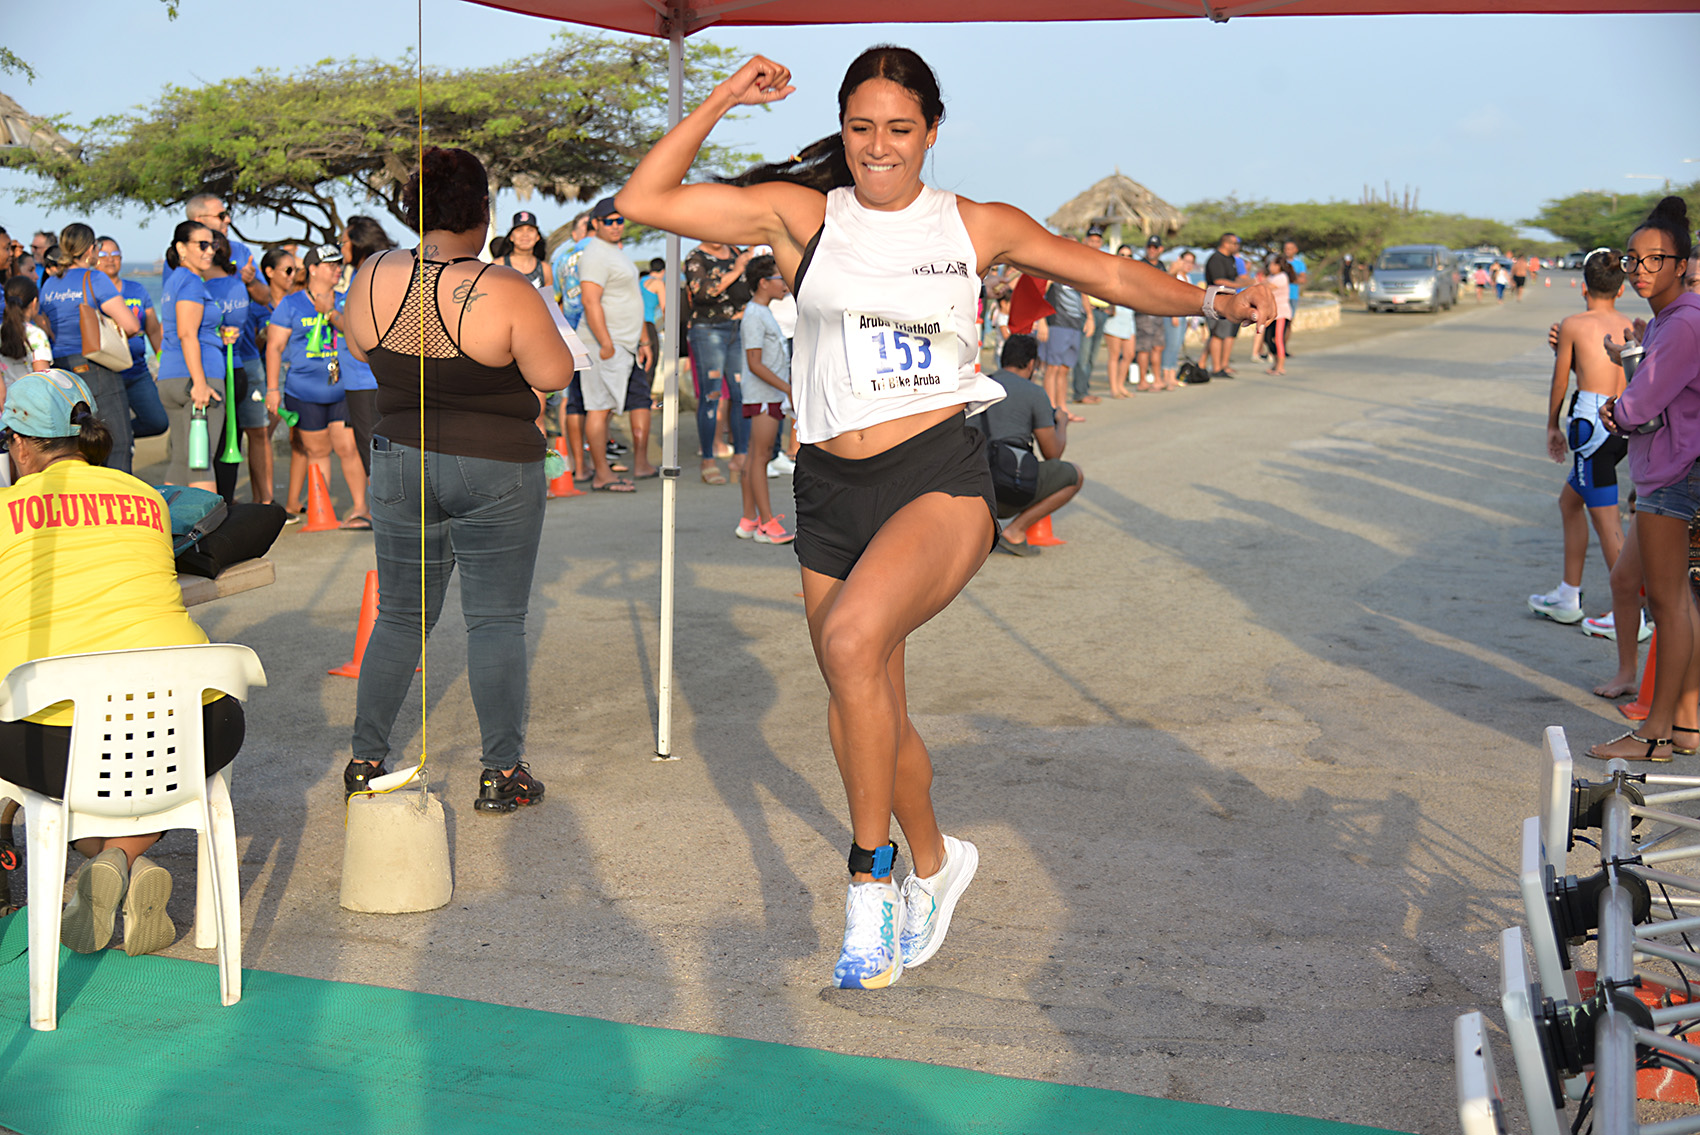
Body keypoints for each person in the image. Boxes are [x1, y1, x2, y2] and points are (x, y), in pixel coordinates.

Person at [617, 47, 1274, 989]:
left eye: (898, 129)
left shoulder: (976, 225)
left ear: (931, 130)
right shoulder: (802, 215)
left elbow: (1107, 275)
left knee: (850, 645)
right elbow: (646, 199)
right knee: (864, 704)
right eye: (860, 128)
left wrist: (1212, 298)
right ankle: (937, 862)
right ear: (842, 130)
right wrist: (724, 95)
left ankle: (868, 879)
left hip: (937, 475)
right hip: (828, 490)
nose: (878, 147)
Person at [339, 146, 575, 809]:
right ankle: (501, 772)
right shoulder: (504, 286)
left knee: (399, 616)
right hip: (495, 462)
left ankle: (365, 760)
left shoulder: (374, 271)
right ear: (481, 210)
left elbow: (357, 342)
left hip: (397, 456)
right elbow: (555, 373)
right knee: (495, 621)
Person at [0, 369, 246, 956]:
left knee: (51, 759)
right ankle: (123, 862)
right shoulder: (143, 498)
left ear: (24, 444)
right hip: (193, 728)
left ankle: (101, 860)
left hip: (61, 740)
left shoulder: (7, 509)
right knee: (132, 771)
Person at [1590, 197, 1700, 762]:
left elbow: (1637, 408)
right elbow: (1656, 390)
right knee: (1643, 583)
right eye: (1632, 259)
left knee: (1670, 601)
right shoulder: (1667, 321)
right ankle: (1685, 723)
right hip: (1663, 471)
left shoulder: (1683, 323)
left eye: (1654, 259)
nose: (1639, 270)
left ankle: (1654, 732)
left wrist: (1617, 409)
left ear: (1682, 264)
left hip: (1674, 474)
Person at [1529, 250, 1632, 632]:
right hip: (1621, 422)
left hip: (1591, 425)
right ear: (1620, 290)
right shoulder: (1628, 323)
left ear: (1583, 287)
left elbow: (1561, 380)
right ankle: (1568, 594)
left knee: (1606, 522)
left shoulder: (1573, 323)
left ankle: (1631, 614)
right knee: (1570, 503)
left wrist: (1552, 425)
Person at [265, 245, 368, 526]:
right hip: (304, 391)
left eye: (338, 264)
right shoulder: (291, 304)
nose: (337, 268)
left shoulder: (346, 300)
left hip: (342, 389)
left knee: (347, 447)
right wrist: (272, 389)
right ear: (312, 269)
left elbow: (359, 334)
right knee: (318, 451)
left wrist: (331, 311)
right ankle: (320, 511)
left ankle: (362, 509)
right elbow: (274, 347)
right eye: (330, 264)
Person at [973, 333, 1082, 556]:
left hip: (970, 493)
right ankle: (1015, 531)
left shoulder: (977, 387)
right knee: (1074, 475)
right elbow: (1053, 453)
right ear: (1032, 364)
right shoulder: (1035, 393)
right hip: (1006, 491)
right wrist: (1061, 422)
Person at [578, 196, 654, 491]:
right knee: (599, 408)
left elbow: (630, 297)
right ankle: (602, 474)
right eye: (609, 221)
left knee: (606, 409)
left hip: (626, 342)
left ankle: (605, 472)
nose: (615, 225)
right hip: (606, 343)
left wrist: (643, 339)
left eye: (620, 220)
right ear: (595, 223)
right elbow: (589, 300)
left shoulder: (614, 251)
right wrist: (606, 343)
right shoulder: (595, 254)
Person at [157, 220, 228, 492]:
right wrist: (200, 383)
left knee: (182, 459)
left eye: (213, 244)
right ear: (181, 248)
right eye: (202, 244)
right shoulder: (190, 282)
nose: (210, 250)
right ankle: (206, 531)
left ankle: (171, 529)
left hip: (171, 378)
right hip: (196, 379)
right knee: (201, 462)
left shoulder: (175, 280)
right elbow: (187, 334)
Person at [685, 238, 755, 483]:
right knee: (712, 395)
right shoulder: (696, 258)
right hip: (708, 330)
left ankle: (741, 455)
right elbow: (704, 292)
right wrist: (736, 270)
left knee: (741, 393)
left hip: (738, 328)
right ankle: (709, 459)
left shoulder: (737, 251)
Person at [735, 254, 794, 543]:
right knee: (761, 457)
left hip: (767, 394)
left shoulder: (762, 311)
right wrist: (787, 388)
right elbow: (755, 363)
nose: (784, 283)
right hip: (763, 396)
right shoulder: (754, 315)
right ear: (762, 283)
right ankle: (767, 523)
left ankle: (749, 519)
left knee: (754, 455)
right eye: (779, 278)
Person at [94, 237, 167, 454]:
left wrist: (162, 361)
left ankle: (121, 434)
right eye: (103, 255)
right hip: (106, 374)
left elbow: (153, 329)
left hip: (138, 371)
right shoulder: (92, 291)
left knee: (158, 421)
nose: (110, 260)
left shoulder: (137, 290)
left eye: (115, 254)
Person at [339, 216, 395, 475]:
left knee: (374, 455)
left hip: (366, 380)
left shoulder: (368, 274)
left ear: (360, 242)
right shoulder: (379, 271)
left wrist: (329, 311)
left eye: (345, 242)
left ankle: (382, 512)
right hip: (368, 378)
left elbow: (362, 324)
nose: (342, 247)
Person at [185, 193, 268, 305]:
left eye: (227, 214)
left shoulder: (240, 251)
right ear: (199, 221)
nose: (228, 220)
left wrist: (251, 282)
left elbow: (266, 298)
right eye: (221, 216)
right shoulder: (181, 257)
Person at [1038, 273, 1090, 420]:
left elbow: (1084, 295)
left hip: (1074, 324)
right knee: (1052, 367)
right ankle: (1051, 408)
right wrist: (1041, 321)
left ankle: (1062, 408)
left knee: (1064, 368)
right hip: (1056, 323)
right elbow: (1039, 294)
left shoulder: (1076, 275)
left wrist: (1090, 317)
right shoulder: (1053, 274)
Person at [1071, 225, 1110, 405]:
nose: (1094, 243)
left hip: (1102, 311)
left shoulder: (1102, 259)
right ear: (1086, 240)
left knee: (1093, 355)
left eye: (1097, 241)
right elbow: (1082, 288)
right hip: (1088, 312)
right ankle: (1080, 392)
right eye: (1091, 240)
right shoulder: (1082, 259)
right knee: (1083, 355)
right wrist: (1089, 315)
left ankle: (1085, 389)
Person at [1203, 233, 1246, 378]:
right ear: (1226, 243)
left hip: (1229, 301)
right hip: (1216, 300)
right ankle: (1216, 368)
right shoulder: (1216, 259)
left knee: (1226, 334)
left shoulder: (1231, 259)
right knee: (1217, 334)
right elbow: (1219, 280)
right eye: (1235, 243)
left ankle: (1223, 365)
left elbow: (1235, 277)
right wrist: (1243, 284)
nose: (1237, 247)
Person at [0, 277, 51, 389]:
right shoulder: (36, 334)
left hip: (6, 402)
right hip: (30, 401)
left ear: (5, 302)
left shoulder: (1, 331)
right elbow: (43, 377)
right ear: (34, 303)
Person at [1132, 235, 1168, 390]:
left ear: (1160, 249)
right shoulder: (1141, 265)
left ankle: (1157, 379)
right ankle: (1142, 380)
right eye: (1149, 247)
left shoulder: (1161, 265)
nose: (1151, 250)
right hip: (1143, 311)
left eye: (1155, 247)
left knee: (1158, 346)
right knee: (1144, 347)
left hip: (1158, 310)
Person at [1100, 246, 1136, 398]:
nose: (1125, 257)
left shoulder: (1134, 276)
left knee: (1129, 354)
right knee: (1114, 355)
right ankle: (1114, 388)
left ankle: (1121, 385)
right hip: (1115, 317)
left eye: (1128, 255)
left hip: (1129, 317)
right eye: (1122, 254)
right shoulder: (1110, 274)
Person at [1161, 251, 1196, 390]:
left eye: (1191, 262)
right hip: (1173, 314)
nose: (1188, 265)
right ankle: (1166, 376)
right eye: (1185, 261)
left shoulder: (1188, 277)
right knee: (1171, 345)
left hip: (1184, 315)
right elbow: (1170, 295)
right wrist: (1173, 315)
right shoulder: (1176, 276)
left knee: (1177, 346)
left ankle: (1172, 374)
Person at [499, 210, 554, 295]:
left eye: (530, 230)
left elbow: (548, 303)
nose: (525, 235)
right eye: (519, 230)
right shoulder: (498, 266)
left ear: (538, 237)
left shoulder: (545, 269)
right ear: (511, 237)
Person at [1262, 254, 1293, 375]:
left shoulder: (1282, 277)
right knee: (1268, 339)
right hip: (1271, 313)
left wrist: (1258, 281)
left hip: (1281, 313)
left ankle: (1280, 366)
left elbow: (1267, 287)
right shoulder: (1271, 277)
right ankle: (1275, 364)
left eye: (1273, 264)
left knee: (1279, 339)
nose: (1270, 267)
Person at [1281, 239, 1307, 353]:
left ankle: (1283, 347)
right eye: (1286, 248)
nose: (1288, 251)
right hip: (1280, 297)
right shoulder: (1280, 263)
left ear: (1295, 250)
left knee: (1288, 323)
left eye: (1290, 248)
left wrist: (1288, 278)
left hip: (1292, 297)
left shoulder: (1300, 264)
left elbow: (1302, 279)